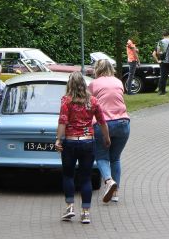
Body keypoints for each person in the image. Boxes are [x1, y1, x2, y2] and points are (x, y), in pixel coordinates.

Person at [55, 71, 110, 224]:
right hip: (87, 142)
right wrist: (106, 138)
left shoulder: (66, 101)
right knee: (86, 178)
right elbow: (102, 121)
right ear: (84, 84)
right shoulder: (93, 101)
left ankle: (70, 207)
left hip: (70, 142)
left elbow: (62, 121)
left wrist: (58, 139)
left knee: (68, 175)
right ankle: (85, 213)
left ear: (70, 84)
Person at [89, 59, 130, 203]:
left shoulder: (94, 84)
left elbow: (90, 104)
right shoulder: (118, 82)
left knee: (101, 156)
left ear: (97, 69)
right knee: (115, 158)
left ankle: (108, 180)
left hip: (103, 124)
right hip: (123, 123)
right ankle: (115, 193)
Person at [153, 29, 169, 95]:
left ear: (163, 35)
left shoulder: (160, 42)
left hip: (163, 61)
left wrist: (162, 54)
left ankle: (162, 91)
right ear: (168, 34)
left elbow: (158, 52)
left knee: (163, 76)